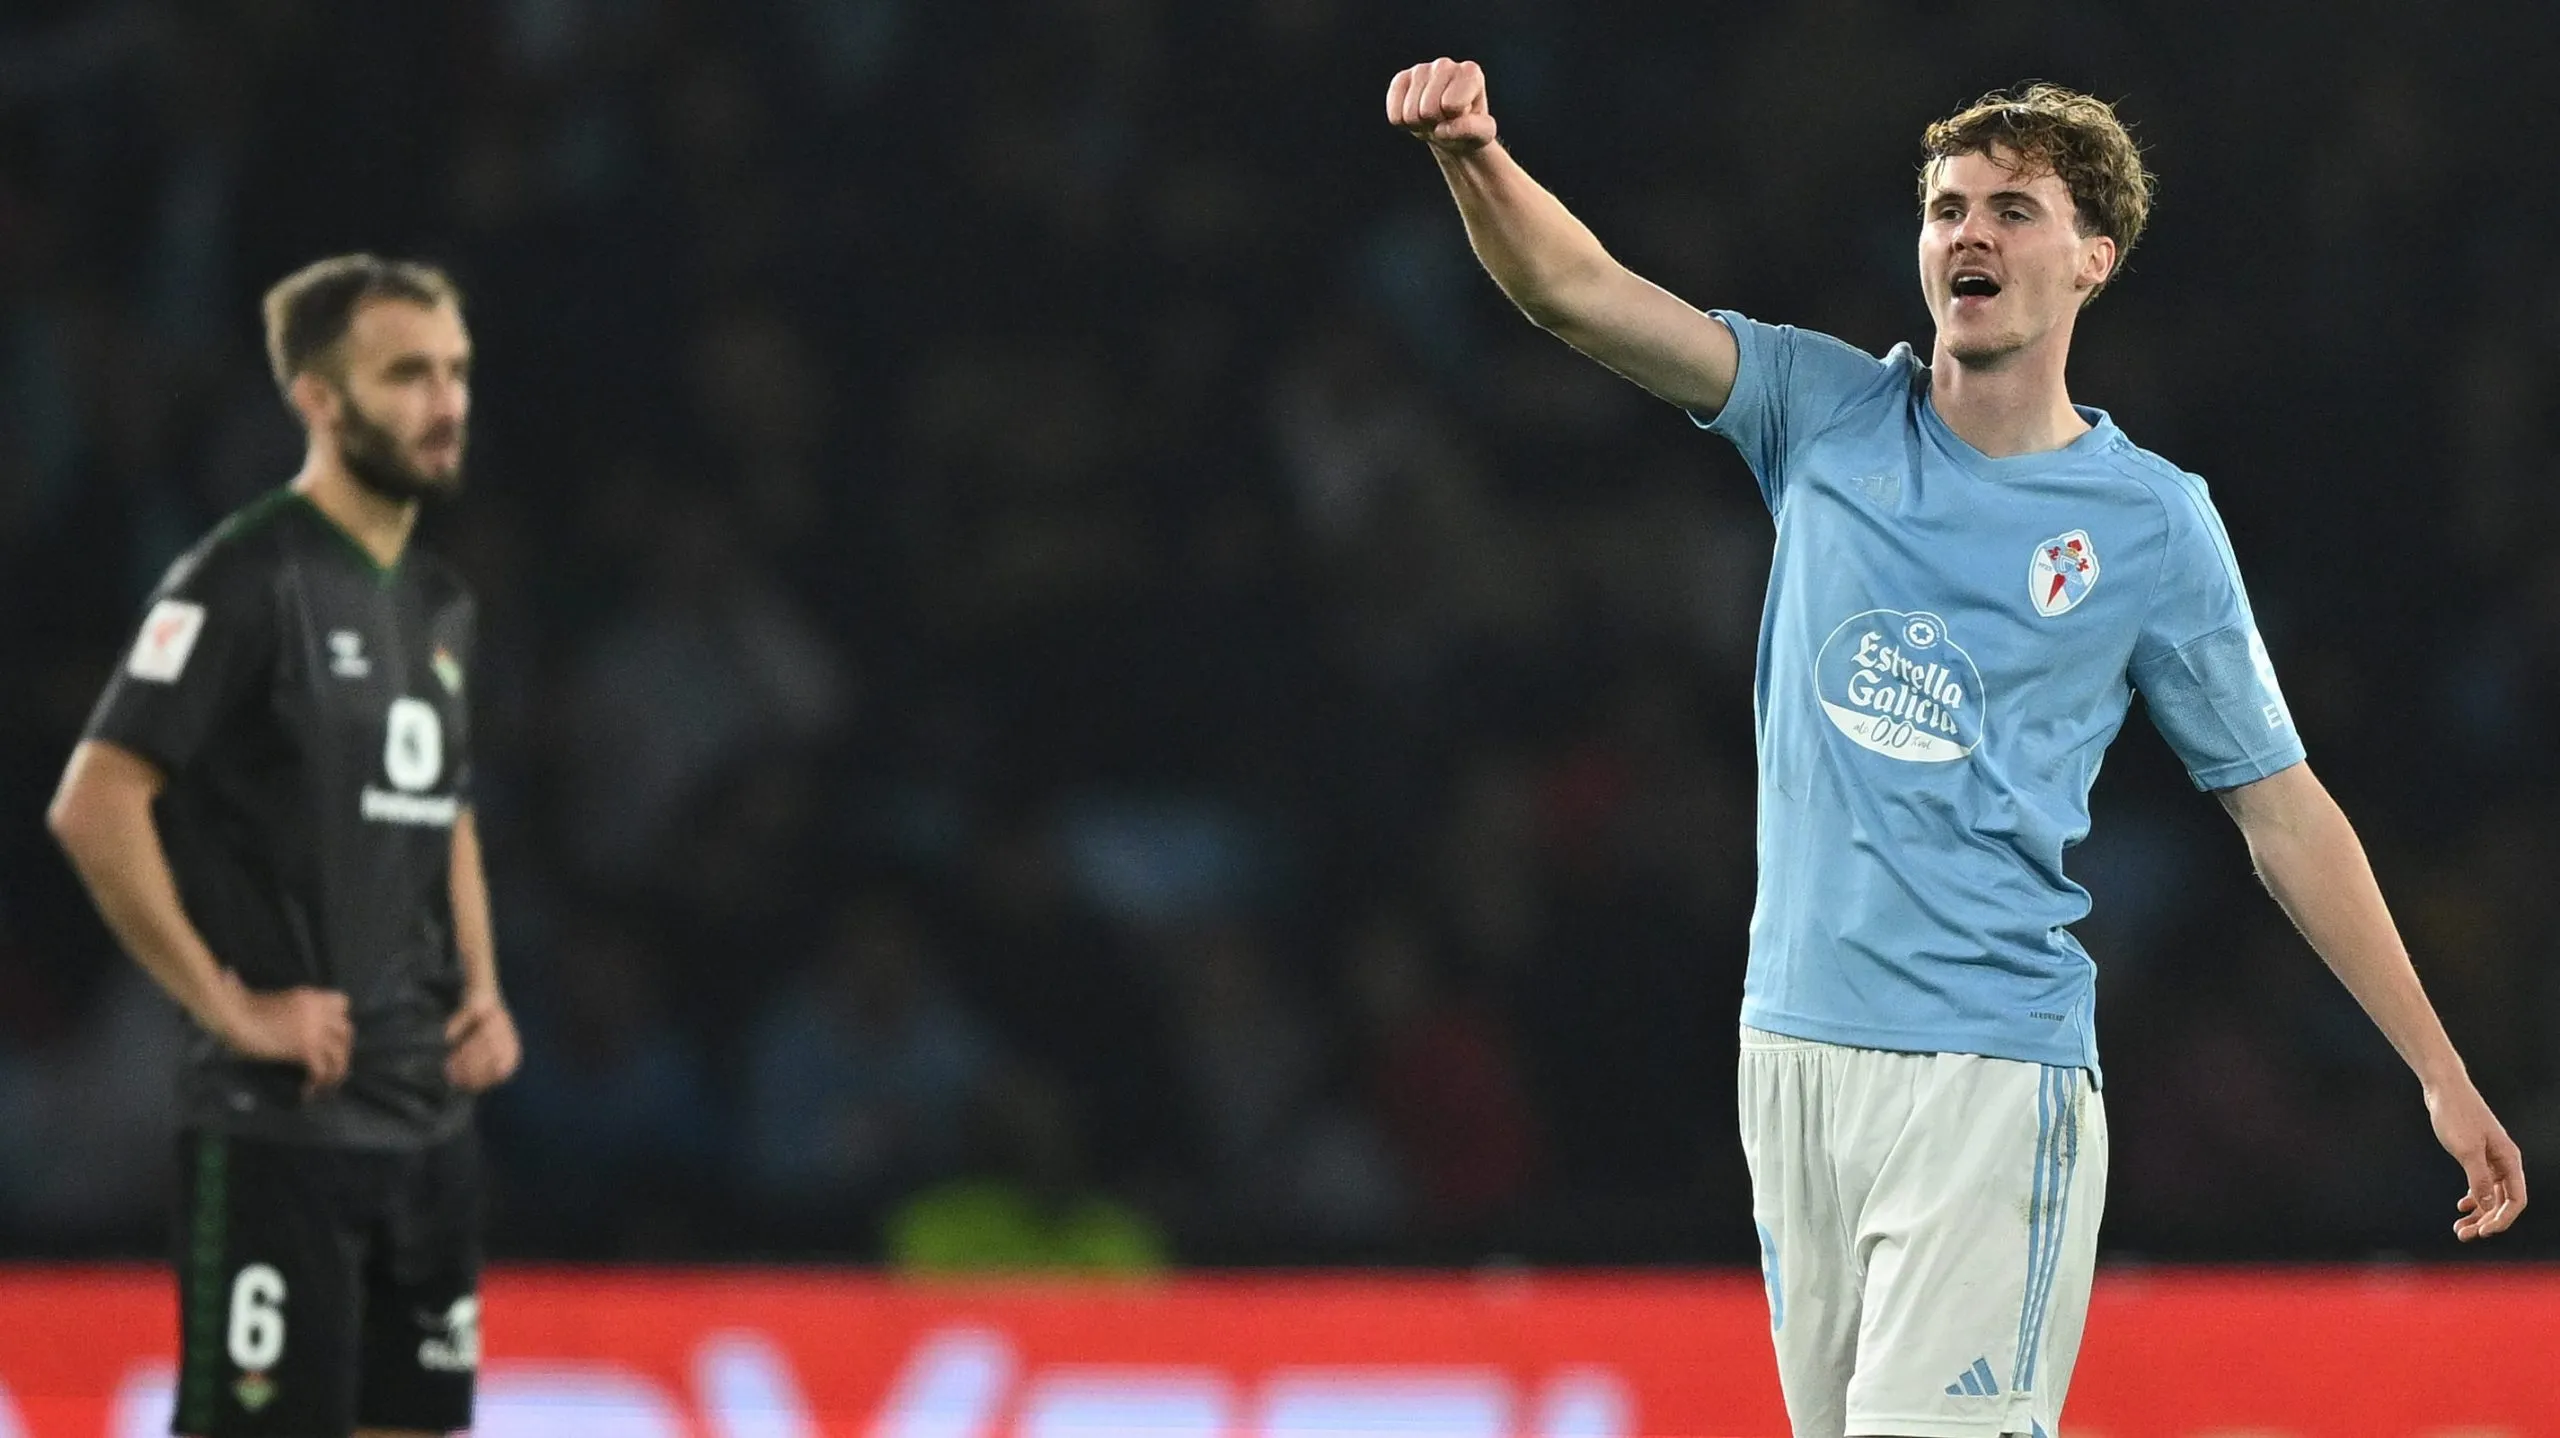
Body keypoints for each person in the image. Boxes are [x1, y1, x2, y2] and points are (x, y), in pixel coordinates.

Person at [1385, 60, 2526, 1438]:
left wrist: (2439, 1068)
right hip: (1793, 1052)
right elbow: (1578, 290)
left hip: (1987, 1072)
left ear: (2093, 259)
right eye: (1947, 207)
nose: (1968, 232)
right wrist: (1472, 158)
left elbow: (2281, 810)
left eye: (2013, 208)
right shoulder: (1820, 410)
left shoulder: (2150, 524)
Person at [48, 254, 520, 1438]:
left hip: (426, 1123)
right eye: (407, 375)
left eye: (456, 372)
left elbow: (443, 806)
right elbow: (95, 800)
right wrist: (228, 1005)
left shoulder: (442, 601)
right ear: (317, 398)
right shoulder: (245, 575)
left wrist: (488, 987)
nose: (445, 403)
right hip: (283, 1126)